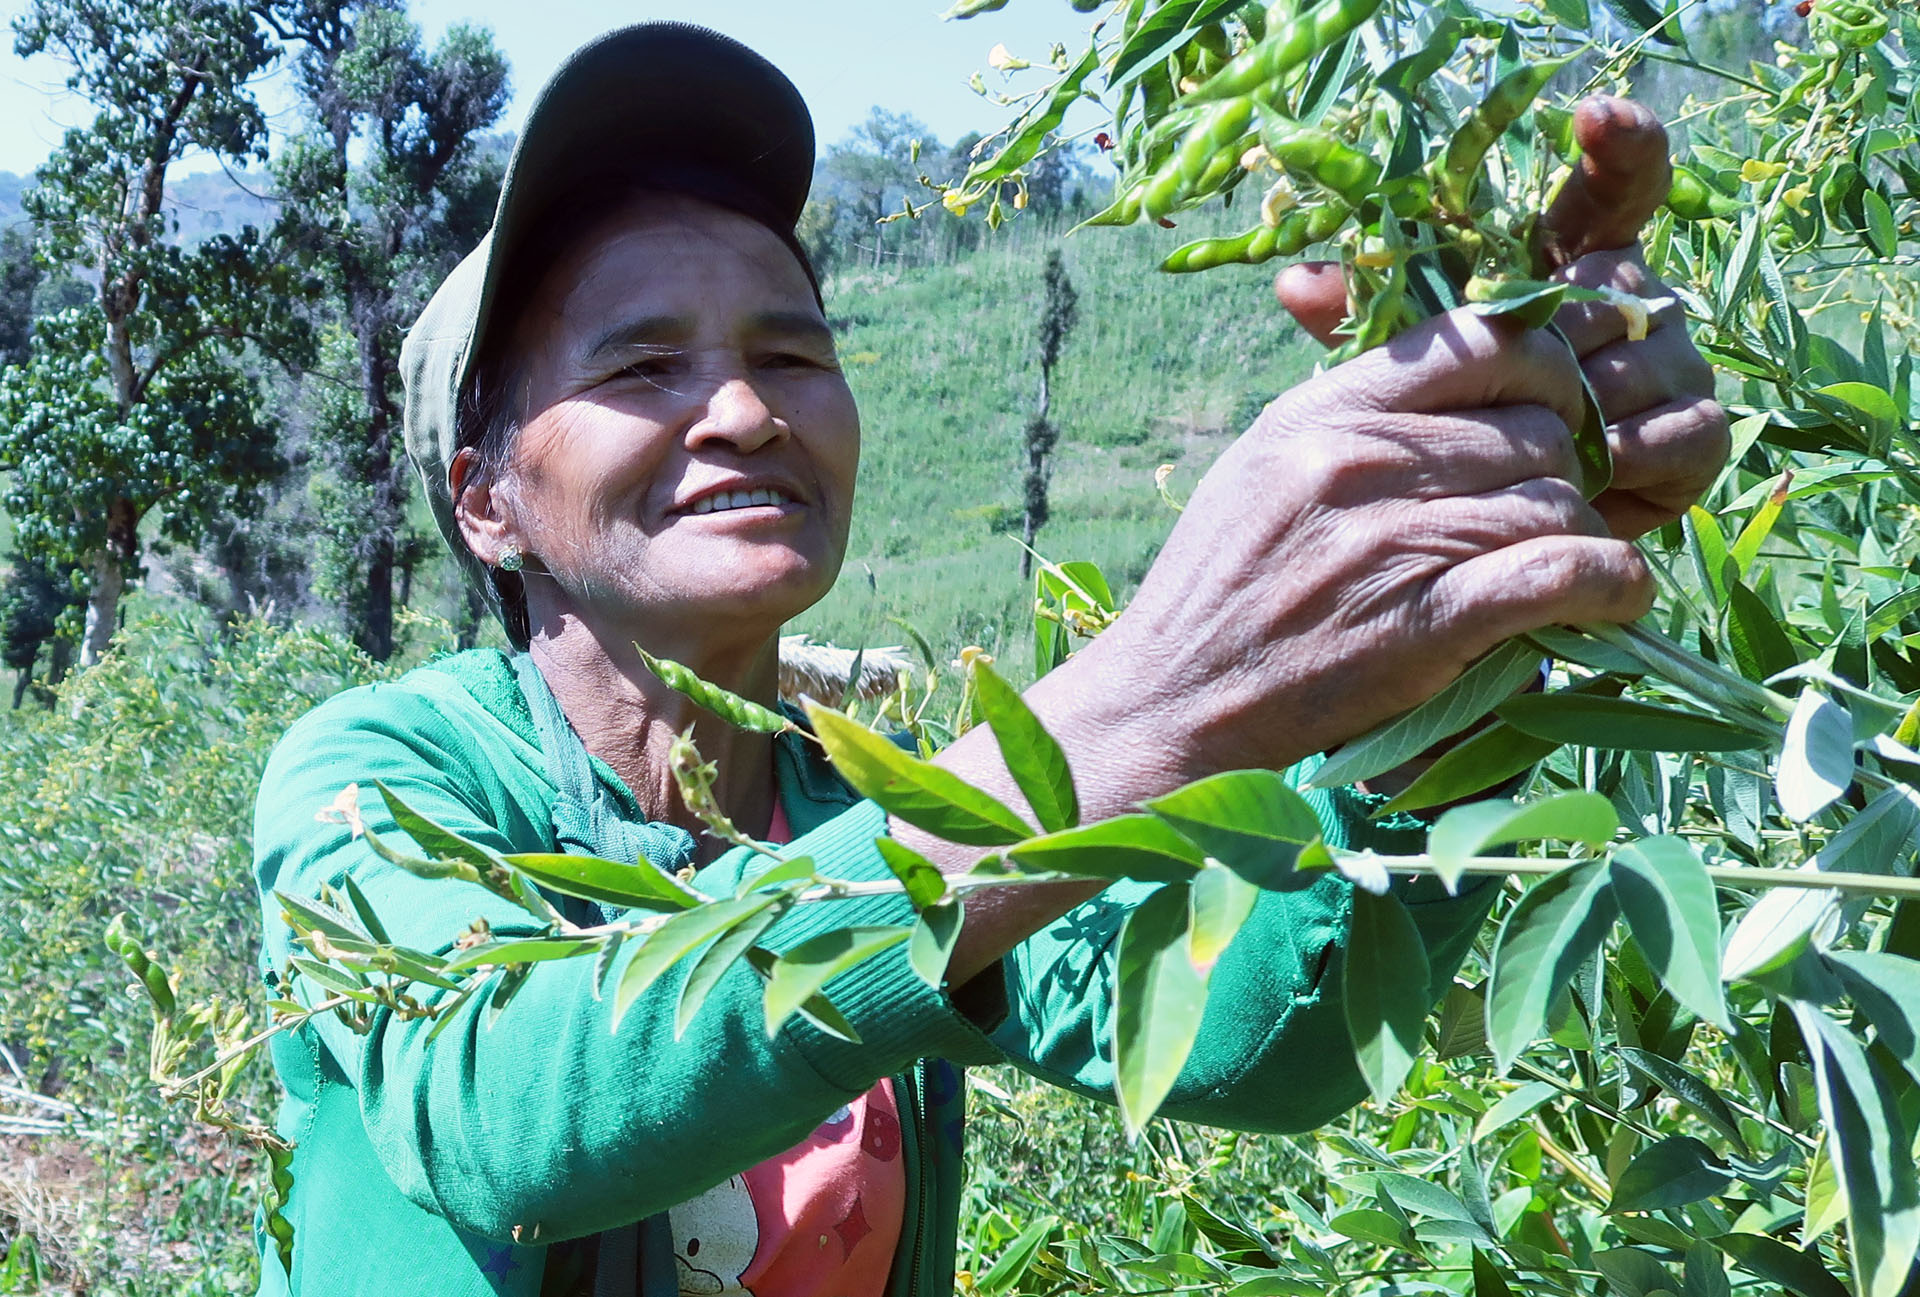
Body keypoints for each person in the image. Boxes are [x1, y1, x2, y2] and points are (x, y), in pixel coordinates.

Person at [250, 21, 1728, 1297]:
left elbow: (1265, 1036)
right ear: (484, 496)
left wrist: (1472, 622)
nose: (747, 412)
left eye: (792, 351)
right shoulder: (387, 776)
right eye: (642, 365)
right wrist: (1156, 696)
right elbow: (499, 1110)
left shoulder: (850, 803)